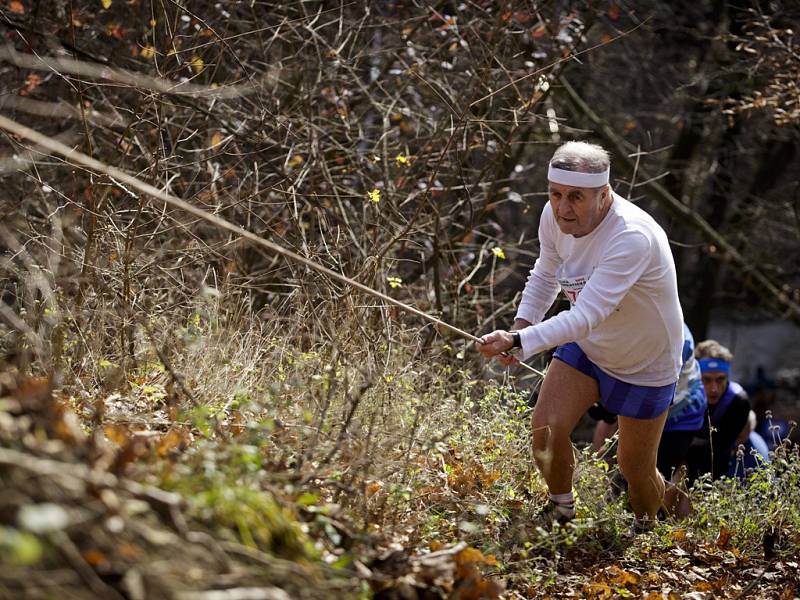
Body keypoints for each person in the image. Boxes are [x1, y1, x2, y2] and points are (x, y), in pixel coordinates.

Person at [476, 141, 684, 532]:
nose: (563, 208)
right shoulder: (553, 217)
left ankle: (649, 533)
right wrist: (521, 328)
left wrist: (521, 343)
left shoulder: (632, 236)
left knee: (635, 470)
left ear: (604, 195)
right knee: (546, 430)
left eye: (576, 197)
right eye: (555, 195)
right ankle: (562, 514)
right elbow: (545, 273)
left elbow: (587, 315)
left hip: (646, 359)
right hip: (588, 346)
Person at [588, 323, 707, 517]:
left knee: (648, 475)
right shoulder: (633, 326)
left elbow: (658, 395)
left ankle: (652, 523)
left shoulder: (677, 340)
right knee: (627, 472)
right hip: (645, 402)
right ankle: (631, 518)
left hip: (681, 414)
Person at [686, 340, 752, 481]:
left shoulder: (738, 402)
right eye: (707, 380)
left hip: (719, 468)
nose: (714, 388)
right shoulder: (684, 398)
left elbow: (717, 453)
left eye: (720, 379)